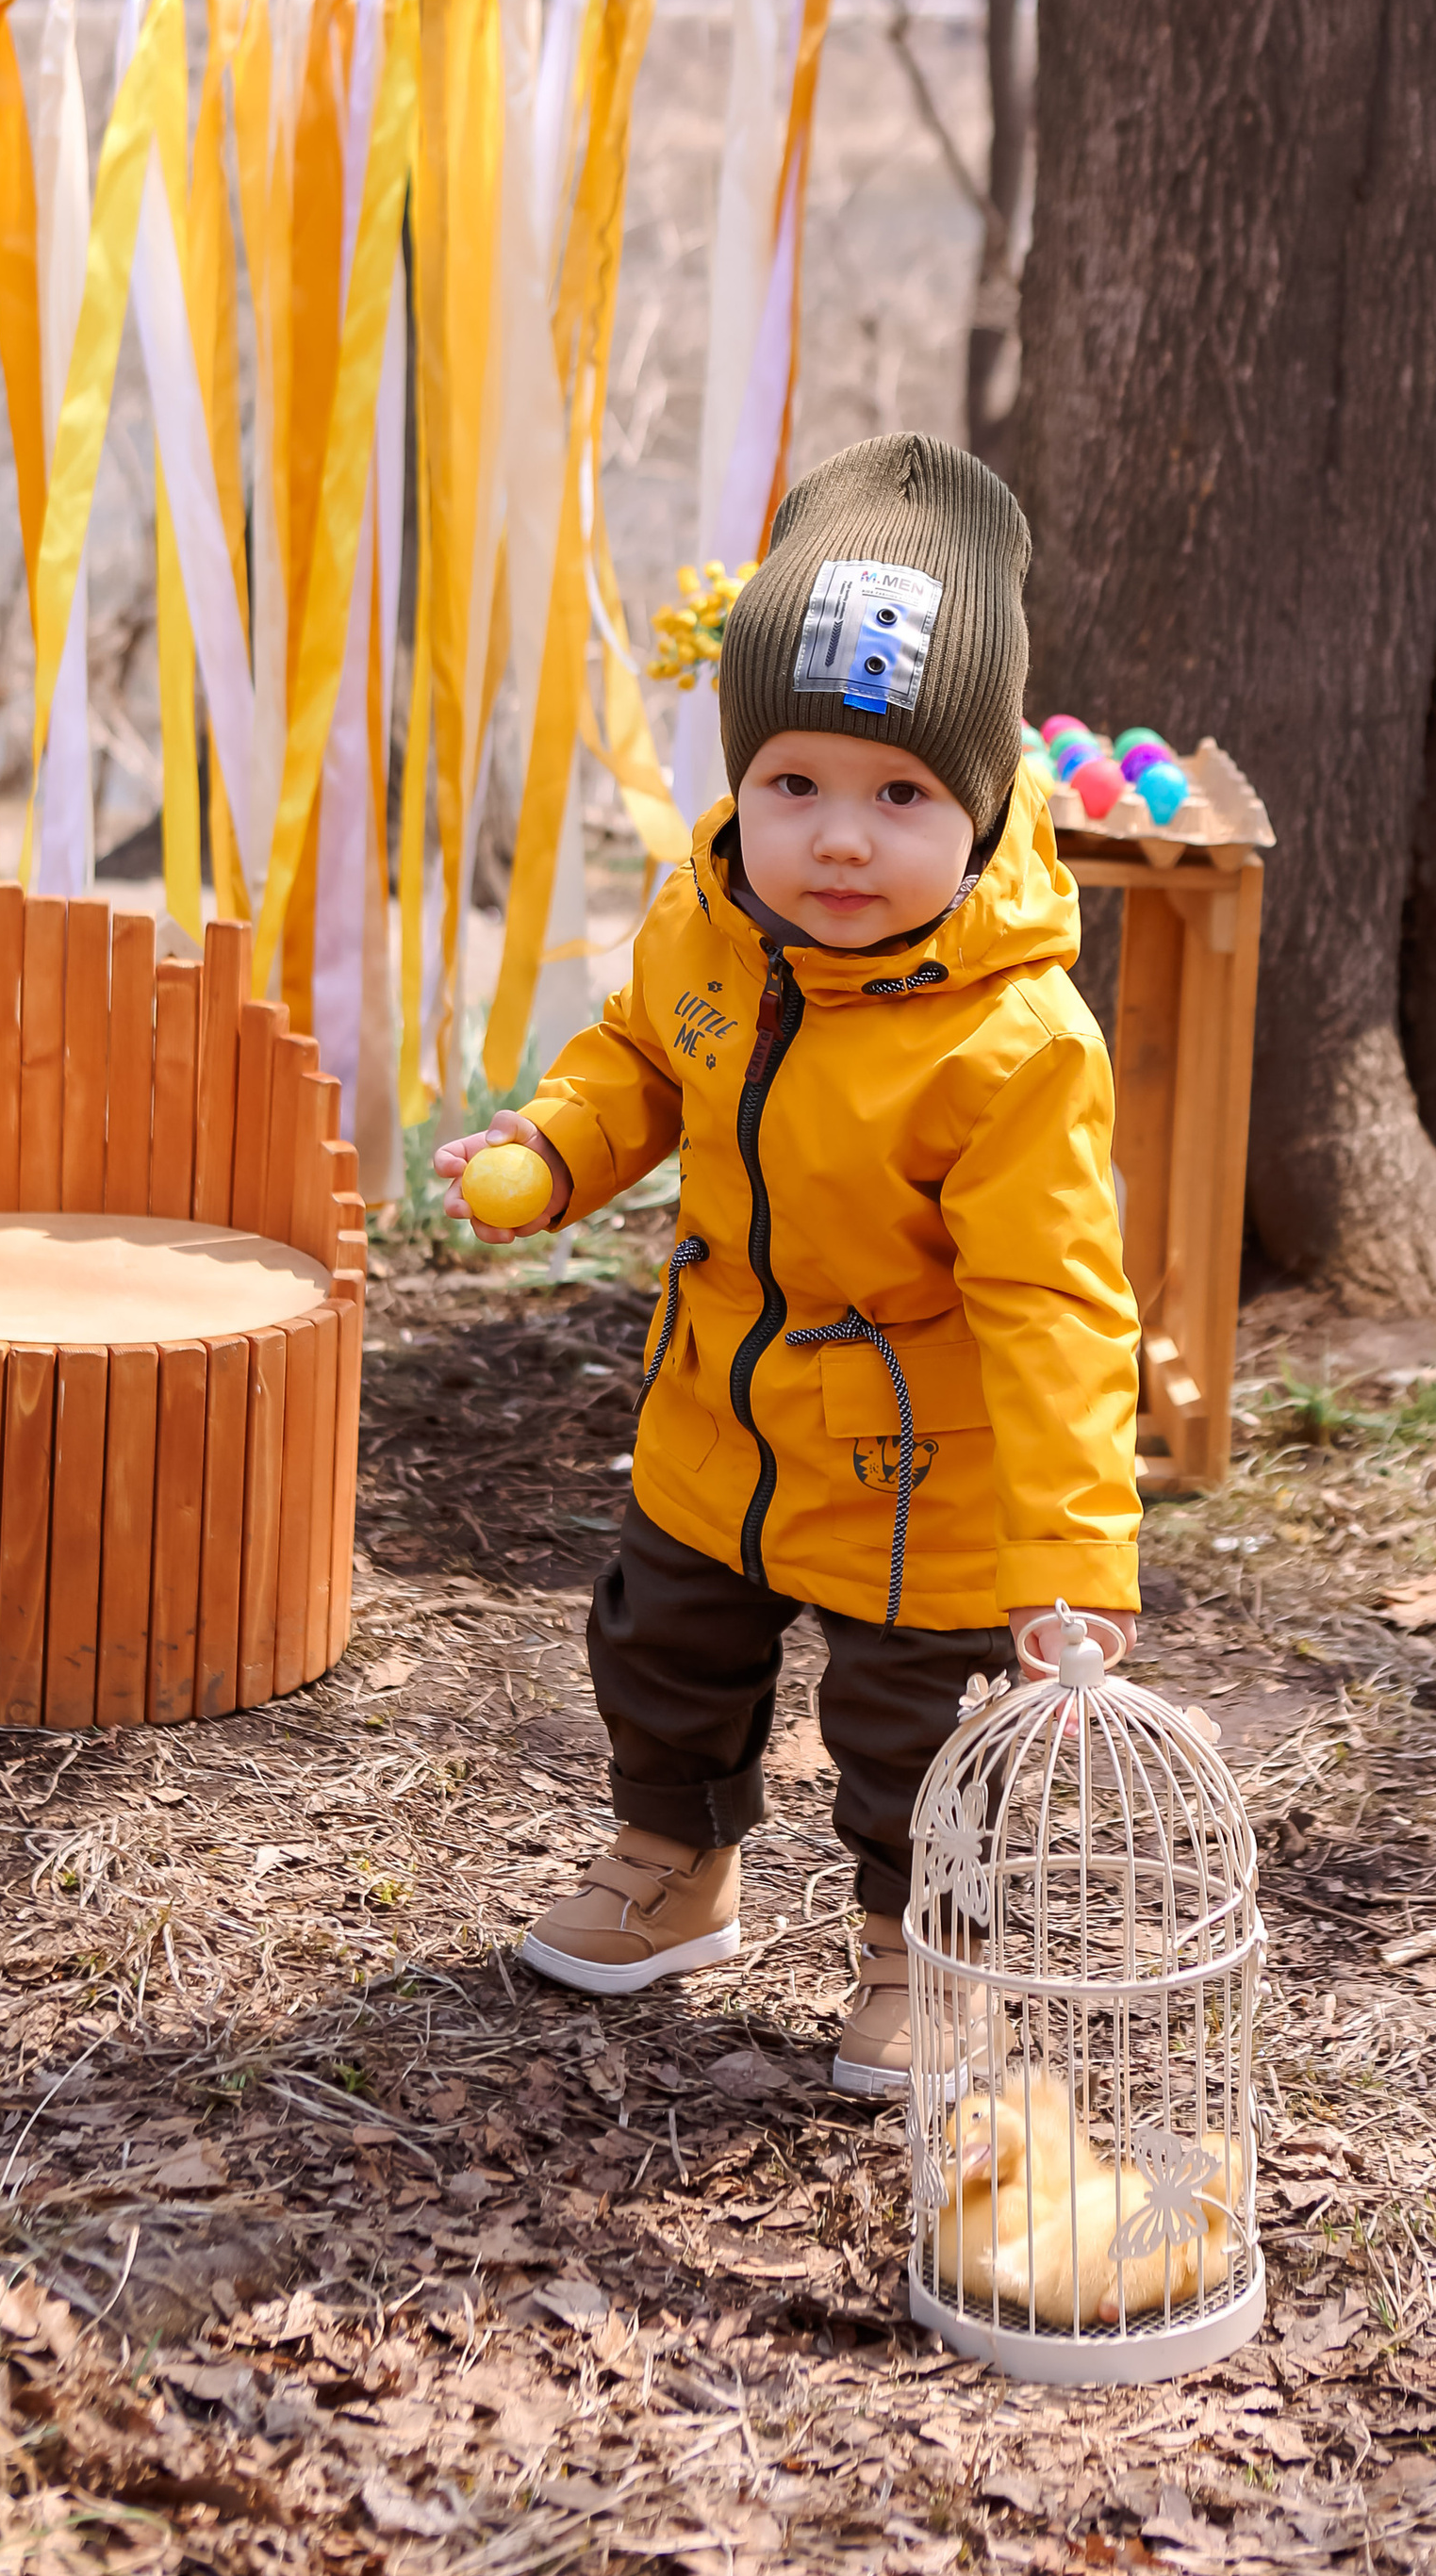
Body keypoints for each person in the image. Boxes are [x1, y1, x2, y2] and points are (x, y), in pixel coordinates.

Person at [434, 432, 1142, 2093]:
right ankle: (673, 1863)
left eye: (901, 798)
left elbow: (1055, 1309)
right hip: (723, 1419)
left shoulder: (1014, 1044)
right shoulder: (707, 925)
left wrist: (1072, 1551)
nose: (839, 839)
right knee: (662, 1647)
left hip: (929, 1469)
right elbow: (639, 1058)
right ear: (741, 785)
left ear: (979, 817)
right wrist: (553, 1150)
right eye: (794, 787)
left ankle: (918, 1949)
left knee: (907, 1736)